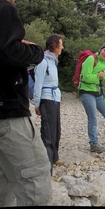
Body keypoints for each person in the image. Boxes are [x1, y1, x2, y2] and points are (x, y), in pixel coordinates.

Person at [0, 0, 52, 207]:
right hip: (6, 110)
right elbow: (6, 51)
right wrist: (35, 51)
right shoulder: (1, 8)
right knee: (36, 176)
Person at [33, 34, 65, 169]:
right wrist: (37, 104)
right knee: (48, 132)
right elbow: (38, 84)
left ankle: (54, 157)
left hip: (54, 99)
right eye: (60, 44)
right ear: (54, 45)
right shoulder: (43, 61)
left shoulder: (53, 61)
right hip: (47, 98)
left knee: (56, 130)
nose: (62, 47)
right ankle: (46, 166)